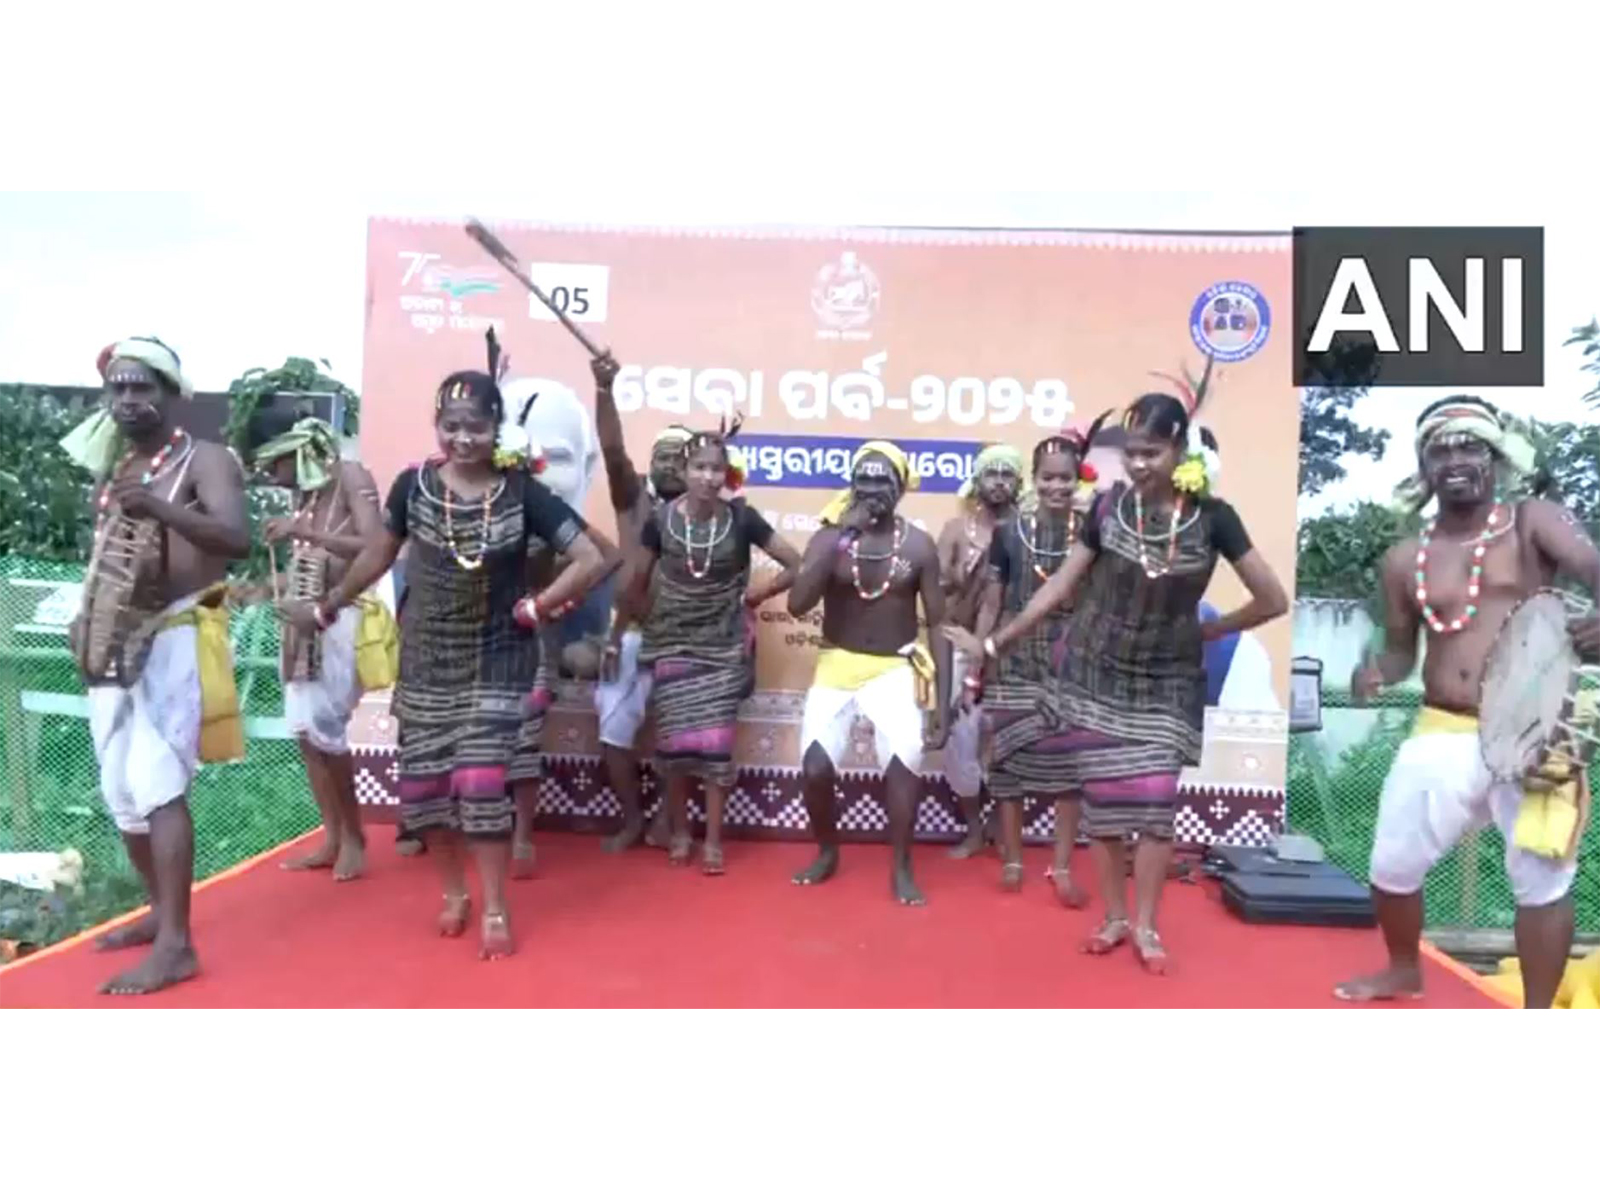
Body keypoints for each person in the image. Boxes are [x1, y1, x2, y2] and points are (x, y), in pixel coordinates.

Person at [287, 333, 607, 959]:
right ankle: (453, 891)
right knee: (425, 793)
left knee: (482, 782)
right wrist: (328, 605)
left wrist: (537, 607)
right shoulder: (412, 486)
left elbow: (591, 557)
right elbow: (381, 550)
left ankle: (492, 904)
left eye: (477, 426)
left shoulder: (524, 492)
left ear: (497, 428)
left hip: (498, 658)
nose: (463, 438)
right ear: (438, 425)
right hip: (428, 661)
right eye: (452, 425)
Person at [946, 392, 1288, 971]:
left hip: (1167, 679)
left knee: (1156, 807)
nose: (1137, 465)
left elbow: (1272, 599)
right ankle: (1113, 917)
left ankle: (1148, 926)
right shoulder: (1108, 509)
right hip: (1096, 672)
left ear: (1179, 449)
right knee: (1104, 807)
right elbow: (1058, 588)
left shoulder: (1215, 518)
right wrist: (996, 642)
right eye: (1131, 453)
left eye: (1151, 453)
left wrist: (1214, 632)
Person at [1335, 396, 1600, 1007]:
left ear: (1495, 457)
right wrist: (1375, 669)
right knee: (1392, 866)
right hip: (1443, 726)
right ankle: (1404, 968)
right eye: (1440, 449)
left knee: (1541, 880)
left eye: (1469, 446)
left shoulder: (1534, 521)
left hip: (1538, 728)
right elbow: (1403, 649)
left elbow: (1593, 568)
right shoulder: (1405, 558)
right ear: (1424, 467)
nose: (1455, 459)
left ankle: (1534, 1015)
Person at [60, 337, 250, 994]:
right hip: (118, 640)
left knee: (159, 780)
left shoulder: (207, 460)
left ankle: (177, 945)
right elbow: (110, 556)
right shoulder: (116, 470)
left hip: (176, 635)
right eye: (118, 389)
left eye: (143, 388)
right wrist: (87, 617)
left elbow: (237, 540)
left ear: (171, 394)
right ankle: (159, 914)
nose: (129, 400)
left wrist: (164, 508)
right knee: (121, 790)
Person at [612, 421, 801, 872]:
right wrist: (618, 634)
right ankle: (680, 834)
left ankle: (713, 842)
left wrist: (756, 595)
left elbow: (796, 563)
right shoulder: (660, 521)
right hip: (671, 643)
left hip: (721, 648)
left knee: (715, 749)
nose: (708, 478)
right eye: (699, 467)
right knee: (674, 749)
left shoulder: (741, 518)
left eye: (717, 469)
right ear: (685, 468)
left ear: (727, 475)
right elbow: (636, 582)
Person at [788, 441, 949, 905]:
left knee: (904, 763)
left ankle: (901, 866)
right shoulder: (829, 536)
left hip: (894, 668)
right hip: (836, 664)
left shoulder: (918, 544)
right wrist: (843, 534)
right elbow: (798, 603)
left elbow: (938, 621)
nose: (873, 489)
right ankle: (826, 852)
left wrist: (940, 695)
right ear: (851, 485)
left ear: (900, 489)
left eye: (884, 481)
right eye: (865, 479)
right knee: (816, 768)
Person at [970, 421, 1102, 897]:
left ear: (1079, 479)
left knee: (1069, 767)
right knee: (1008, 761)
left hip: (1072, 661)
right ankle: (1012, 858)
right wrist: (979, 654)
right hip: (1012, 658)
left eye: (1065, 478)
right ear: (1034, 479)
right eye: (1047, 477)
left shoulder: (1093, 531)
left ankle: (1062, 865)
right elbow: (991, 600)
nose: (1056, 487)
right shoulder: (1009, 533)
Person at [250, 412, 383, 882]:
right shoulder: (302, 497)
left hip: (344, 613)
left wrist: (302, 532)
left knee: (328, 728)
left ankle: (356, 839)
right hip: (303, 625)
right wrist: (261, 589)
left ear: (300, 449)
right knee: (306, 733)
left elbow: (374, 544)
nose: (270, 474)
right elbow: (311, 563)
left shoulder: (349, 474)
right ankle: (332, 836)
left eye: (275, 462)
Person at [500, 377, 621, 877]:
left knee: (525, 737)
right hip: (476, 637)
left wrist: (553, 600)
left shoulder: (551, 514)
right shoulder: (479, 507)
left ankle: (523, 836)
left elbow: (606, 558)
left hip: (531, 638)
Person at [591, 352, 692, 851]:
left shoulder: (709, 516)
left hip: (684, 642)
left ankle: (667, 823)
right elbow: (611, 448)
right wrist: (605, 392)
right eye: (664, 455)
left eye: (681, 456)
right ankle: (632, 819)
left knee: (678, 741)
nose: (671, 463)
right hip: (627, 637)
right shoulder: (632, 500)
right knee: (612, 735)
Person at [936, 443, 1023, 859]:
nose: (1000, 482)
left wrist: (992, 644)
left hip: (1013, 647)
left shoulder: (1031, 531)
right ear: (978, 480)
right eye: (993, 473)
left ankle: (999, 827)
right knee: (960, 739)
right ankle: (974, 829)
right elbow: (935, 593)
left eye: (1008, 474)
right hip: (959, 645)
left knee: (1009, 741)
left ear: (1020, 483)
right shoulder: (956, 530)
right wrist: (954, 576)